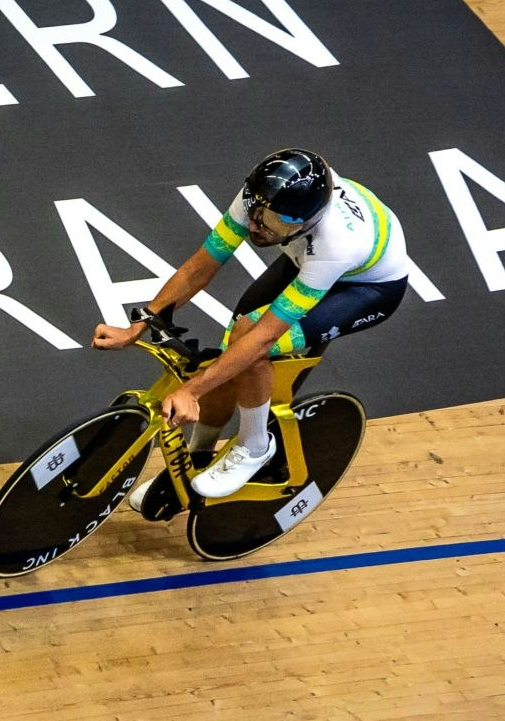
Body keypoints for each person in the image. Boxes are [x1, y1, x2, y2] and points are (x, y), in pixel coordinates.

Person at [92, 149, 412, 501]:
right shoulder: (261, 196)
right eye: (256, 214)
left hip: (365, 287)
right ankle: (197, 458)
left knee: (250, 342)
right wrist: (141, 322)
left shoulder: (334, 244)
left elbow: (261, 339)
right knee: (233, 345)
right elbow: (202, 265)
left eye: (268, 222)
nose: (255, 225)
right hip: (305, 257)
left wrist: (191, 391)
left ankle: (255, 447)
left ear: (300, 221)